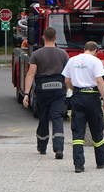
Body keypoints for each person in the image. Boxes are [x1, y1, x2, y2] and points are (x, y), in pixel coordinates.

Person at [62, 41, 104, 173]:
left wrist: (75, 90)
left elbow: (67, 80)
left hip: (77, 97)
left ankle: (79, 165)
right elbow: (99, 80)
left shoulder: (72, 60)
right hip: (92, 98)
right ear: (95, 50)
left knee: (78, 131)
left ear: (84, 49)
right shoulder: (95, 61)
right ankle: (101, 160)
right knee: (97, 129)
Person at [23, 27, 69, 158]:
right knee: (57, 117)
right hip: (59, 90)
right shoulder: (63, 54)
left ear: (43, 37)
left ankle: (42, 147)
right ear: (55, 38)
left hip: (42, 91)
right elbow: (68, 75)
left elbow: (30, 74)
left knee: (43, 118)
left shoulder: (36, 54)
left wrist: (26, 94)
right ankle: (59, 148)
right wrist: (68, 89)